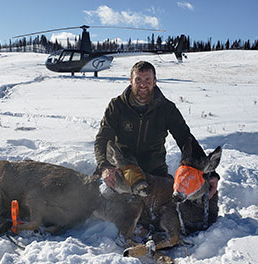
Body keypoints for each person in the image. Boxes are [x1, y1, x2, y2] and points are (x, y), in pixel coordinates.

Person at [94, 60, 219, 199]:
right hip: (122, 168)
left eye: (148, 79)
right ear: (131, 81)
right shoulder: (116, 106)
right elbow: (103, 138)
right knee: (98, 199)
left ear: (154, 82)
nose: (143, 84)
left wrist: (207, 173)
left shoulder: (167, 109)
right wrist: (104, 167)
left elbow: (185, 138)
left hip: (155, 171)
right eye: (138, 79)